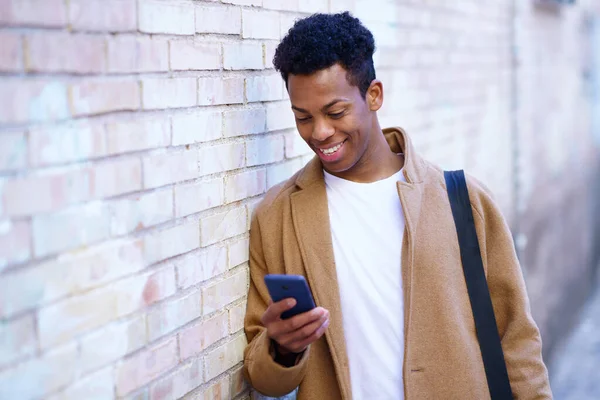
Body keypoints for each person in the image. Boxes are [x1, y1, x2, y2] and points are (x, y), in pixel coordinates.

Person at [243, 11, 552, 400]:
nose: (320, 132)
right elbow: (263, 376)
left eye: (335, 112)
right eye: (303, 117)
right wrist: (282, 348)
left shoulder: (463, 200)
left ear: (374, 95)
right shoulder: (276, 217)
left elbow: (517, 340)